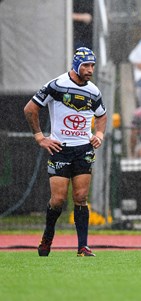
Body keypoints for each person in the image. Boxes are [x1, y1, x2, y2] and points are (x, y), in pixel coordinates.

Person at [25, 47, 107, 257]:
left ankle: (83, 247)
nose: (90, 70)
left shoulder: (94, 91)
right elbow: (30, 109)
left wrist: (99, 134)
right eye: (86, 65)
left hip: (83, 149)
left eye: (92, 66)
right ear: (76, 65)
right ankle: (47, 237)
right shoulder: (57, 85)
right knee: (58, 200)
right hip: (60, 149)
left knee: (81, 197)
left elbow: (102, 115)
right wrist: (40, 137)